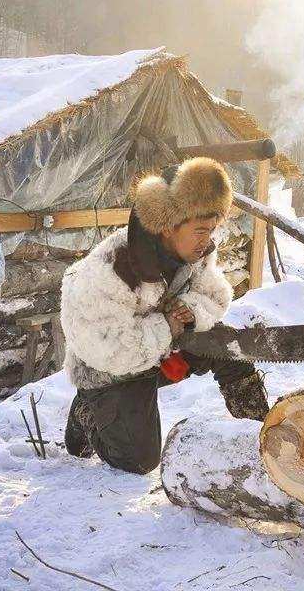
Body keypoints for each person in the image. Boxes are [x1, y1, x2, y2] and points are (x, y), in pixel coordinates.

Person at [60, 157, 268, 474]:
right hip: (109, 366)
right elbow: (105, 345)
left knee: (227, 346)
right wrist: (166, 327)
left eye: (212, 230)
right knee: (140, 460)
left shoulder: (196, 251)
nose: (207, 241)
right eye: (201, 231)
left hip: (158, 348)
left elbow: (214, 294)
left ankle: (264, 437)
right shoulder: (113, 266)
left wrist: (190, 311)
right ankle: (87, 412)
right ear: (169, 227)